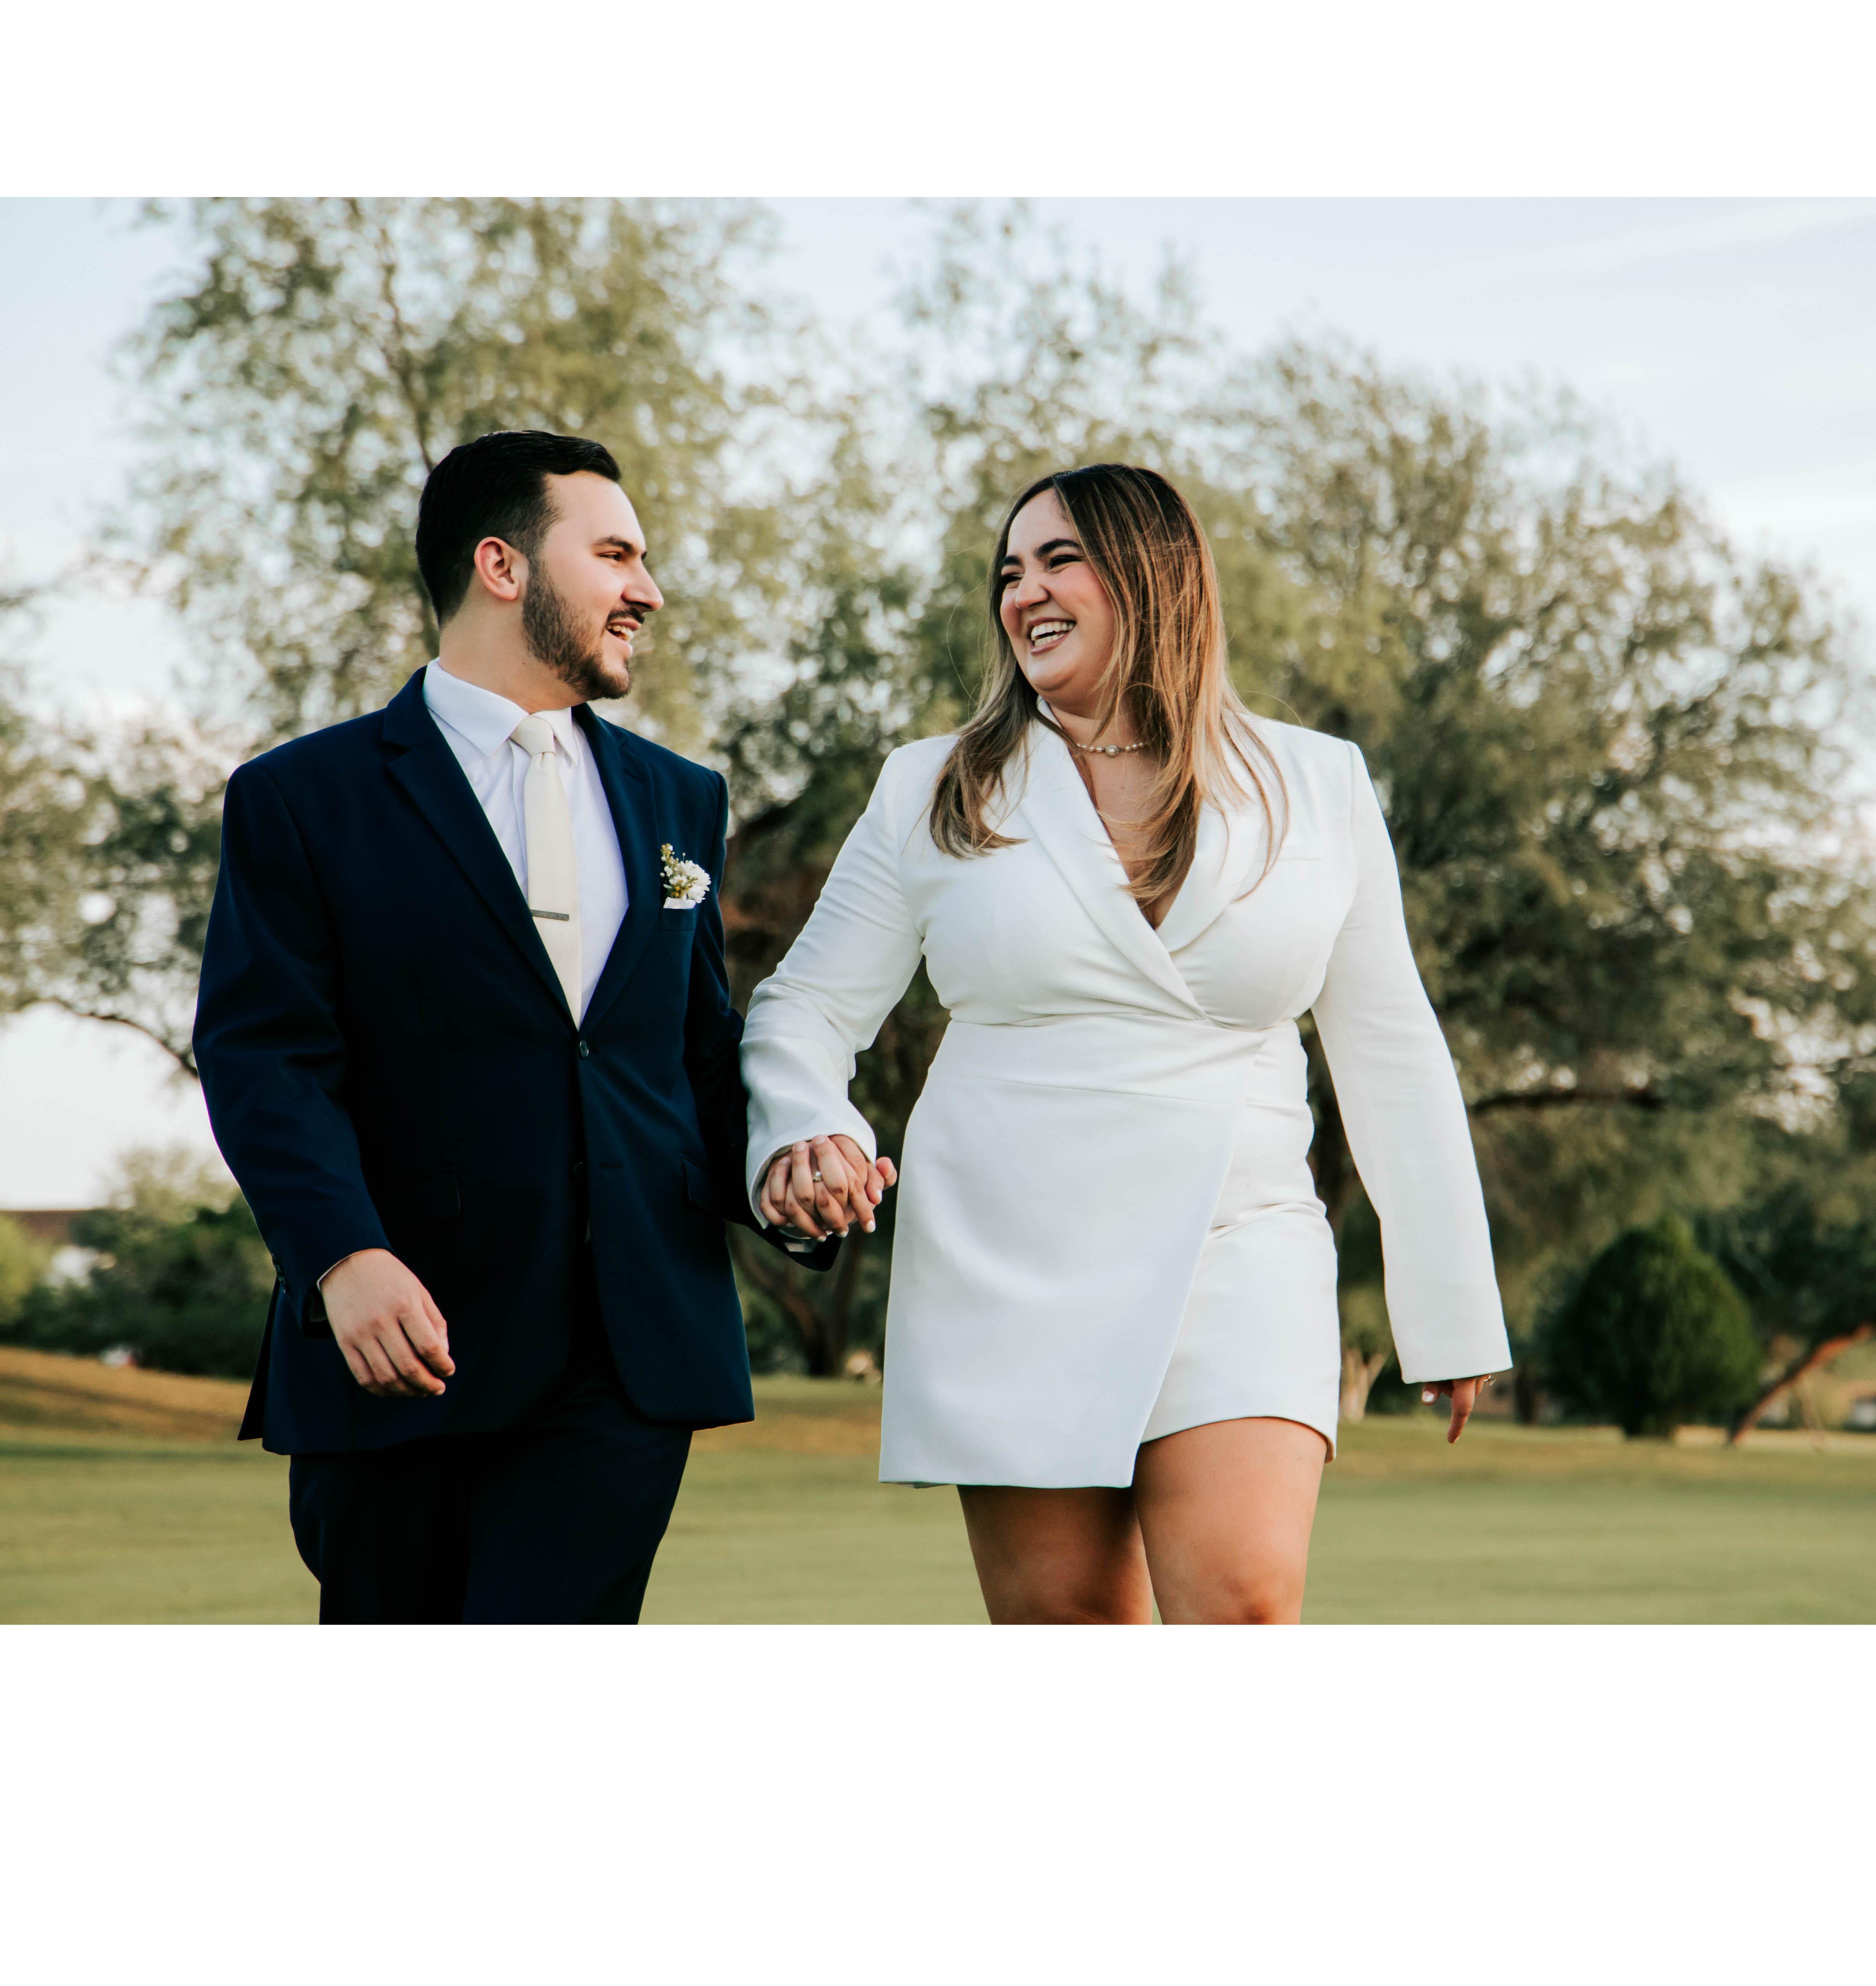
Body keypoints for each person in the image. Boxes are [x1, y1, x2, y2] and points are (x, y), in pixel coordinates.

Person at [741, 462, 1509, 1623]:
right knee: (1070, 1624)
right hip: (1009, 1252)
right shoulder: (933, 788)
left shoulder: (1319, 783)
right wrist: (809, 1129)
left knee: (1245, 1605)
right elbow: (805, 1006)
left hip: (1241, 1240)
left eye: (1060, 561)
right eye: (1010, 573)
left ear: (1156, 578)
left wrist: (1449, 1308)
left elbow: (1393, 1047)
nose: (1025, 594)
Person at [195, 430, 853, 1622]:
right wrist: (342, 1258)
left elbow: (691, 1058)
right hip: (399, 1348)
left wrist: (781, 1170)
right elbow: (265, 1060)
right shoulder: (302, 799)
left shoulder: (683, 800)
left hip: (627, 1357)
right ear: (501, 566)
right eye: (615, 555)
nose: (648, 590)